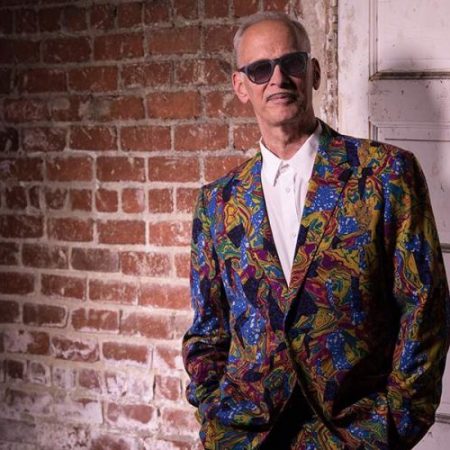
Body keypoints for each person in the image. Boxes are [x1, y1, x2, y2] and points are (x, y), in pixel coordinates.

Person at [182, 11, 450, 450]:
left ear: (315, 72)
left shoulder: (386, 174)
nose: (278, 78)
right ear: (241, 86)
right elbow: (207, 330)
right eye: (260, 69)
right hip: (246, 436)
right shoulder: (218, 202)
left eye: (291, 62)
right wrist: (215, 419)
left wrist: (392, 425)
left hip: (357, 434)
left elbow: (425, 311)